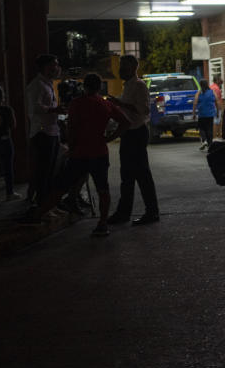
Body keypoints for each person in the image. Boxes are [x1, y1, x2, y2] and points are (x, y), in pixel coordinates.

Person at [32, 73, 128, 235]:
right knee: (102, 189)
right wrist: (109, 138)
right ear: (99, 87)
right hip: (99, 152)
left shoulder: (77, 104)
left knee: (61, 186)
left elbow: (72, 129)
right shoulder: (105, 105)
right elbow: (126, 122)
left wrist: (71, 148)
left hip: (80, 153)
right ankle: (102, 223)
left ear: (85, 87)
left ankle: (37, 215)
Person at [107, 55, 160, 226]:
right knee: (127, 176)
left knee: (142, 174)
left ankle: (151, 212)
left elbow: (143, 111)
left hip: (136, 132)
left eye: (125, 66)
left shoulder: (139, 86)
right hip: (128, 133)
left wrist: (119, 103)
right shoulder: (128, 86)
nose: (121, 69)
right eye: (121, 66)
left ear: (134, 68)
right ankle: (124, 213)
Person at [24, 54, 64, 209]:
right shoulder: (36, 85)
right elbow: (33, 108)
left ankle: (46, 204)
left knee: (50, 170)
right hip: (42, 133)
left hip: (51, 131)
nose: (56, 68)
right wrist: (55, 109)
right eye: (53, 65)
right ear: (43, 67)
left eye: (57, 64)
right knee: (43, 171)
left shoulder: (47, 84)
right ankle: (41, 205)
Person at [192, 81, 217, 150]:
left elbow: (195, 103)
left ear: (200, 85)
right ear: (207, 84)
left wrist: (193, 113)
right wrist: (217, 111)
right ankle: (210, 144)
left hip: (202, 115)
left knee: (202, 128)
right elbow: (216, 101)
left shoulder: (199, 93)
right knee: (210, 129)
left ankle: (204, 140)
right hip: (210, 114)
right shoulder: (212, 92)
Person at [209, 75, 223, 140]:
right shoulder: (216, 88)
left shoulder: (211, 87)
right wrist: (219, 109)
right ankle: (216, 137)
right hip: (216, 107)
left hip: (210, 107)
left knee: (216, 122)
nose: (221, 80)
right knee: (216, 122)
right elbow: (217, 100)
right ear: (217, 80)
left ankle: (217, 136)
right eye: (220, 79)